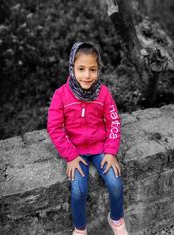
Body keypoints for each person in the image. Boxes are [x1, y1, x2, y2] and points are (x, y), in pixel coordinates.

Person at [47, 42, 129, 235]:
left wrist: (110, 151)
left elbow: (113, 121)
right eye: (81, 69)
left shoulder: (103, 93)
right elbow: (54, 127)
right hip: (75, 151)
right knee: (78, 191)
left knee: (116, 183)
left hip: (100, 148)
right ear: (72, 68)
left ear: (98, 69)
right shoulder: (61, 95)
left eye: (92, 69)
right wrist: (70, 155)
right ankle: (80, 229)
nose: (87, 75)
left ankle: (116, 220)